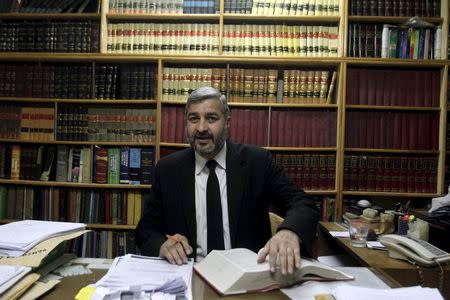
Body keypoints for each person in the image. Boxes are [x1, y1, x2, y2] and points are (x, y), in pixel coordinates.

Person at [135, 86, 320, 275]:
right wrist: (162, 245)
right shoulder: (168, 169)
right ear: (186, 124)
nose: (201, 128)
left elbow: (302, 204)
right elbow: (146, 230)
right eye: (194, 119)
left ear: (227, 122)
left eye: (211, 118)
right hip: (189, 275)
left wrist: (289, 232)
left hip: (246, 277)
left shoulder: (256, 162)